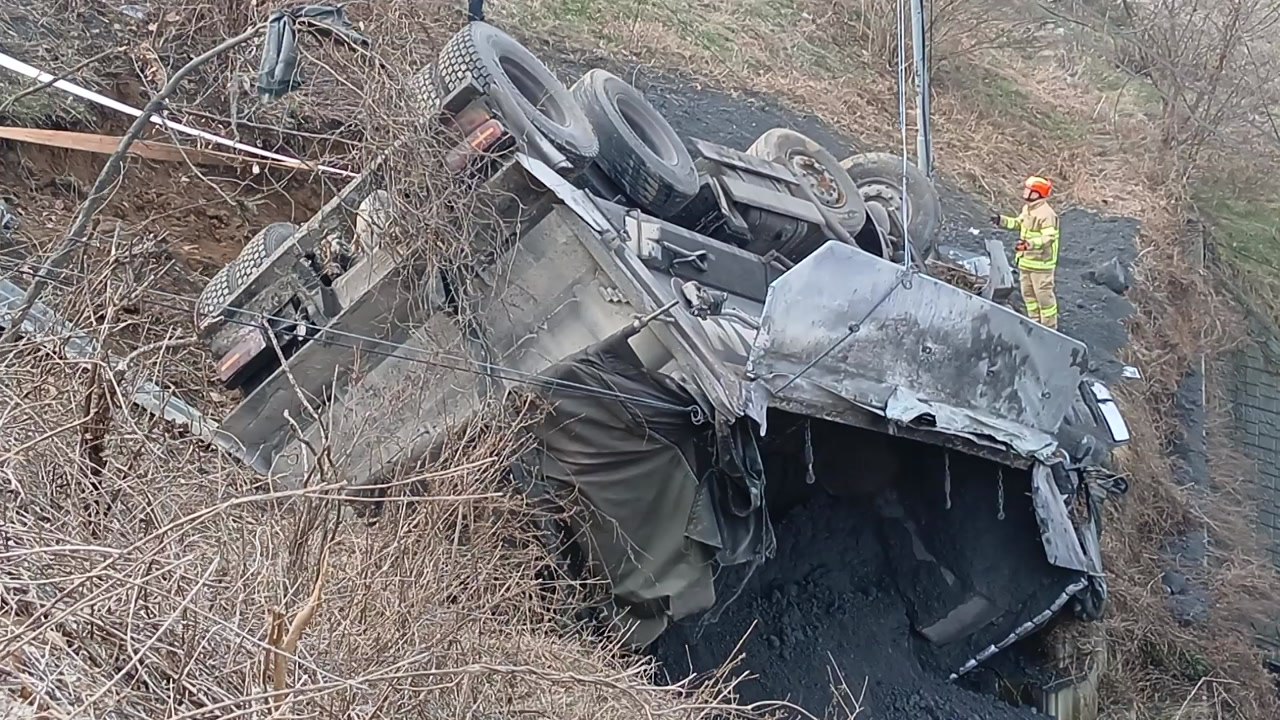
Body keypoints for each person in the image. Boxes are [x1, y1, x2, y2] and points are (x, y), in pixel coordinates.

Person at [992, 176, 1060, 331]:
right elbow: (1018, 223)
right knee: (1029, 296)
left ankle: (1050, 329)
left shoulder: (1046, 214)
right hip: (1026, 262)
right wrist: (1001, 220)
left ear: (1037, 194)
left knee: (1044, 298)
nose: (1025, 192)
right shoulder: (1028, 210)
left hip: (1041, 264)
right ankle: (1035, 324)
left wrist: (1030, 244)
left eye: (1029, 190)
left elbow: (1049, 237)